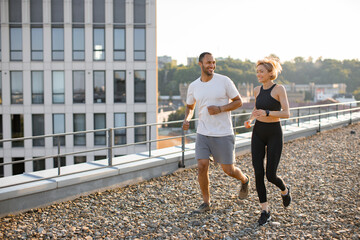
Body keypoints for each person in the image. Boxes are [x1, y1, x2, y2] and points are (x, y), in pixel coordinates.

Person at [183, 52, 250, 213]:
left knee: (228, 170)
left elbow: (238, 102)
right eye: (208, 63)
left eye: (213, 63)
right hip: (203, 132)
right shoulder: (193, 86)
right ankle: (206, 203)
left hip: (223, 133)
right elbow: (190, 106)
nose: (211, 66)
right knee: (201, 166)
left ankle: (245, 179)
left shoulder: (224, 81)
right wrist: (187, 118)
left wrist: (220, 109)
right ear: (200, 64)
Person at [244, 57, 292, 226]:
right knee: (258, 172)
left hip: (274, 134)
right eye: (257, 71)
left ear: (271, 73)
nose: (258, 74)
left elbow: (286, 113)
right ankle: (265, 211)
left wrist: (268, 112)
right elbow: (256, 110)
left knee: (270, 175)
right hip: (258, 133)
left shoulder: (279, 89)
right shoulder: (257, 90)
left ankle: (285, 190)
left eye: (261, 71)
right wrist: (250, 120)